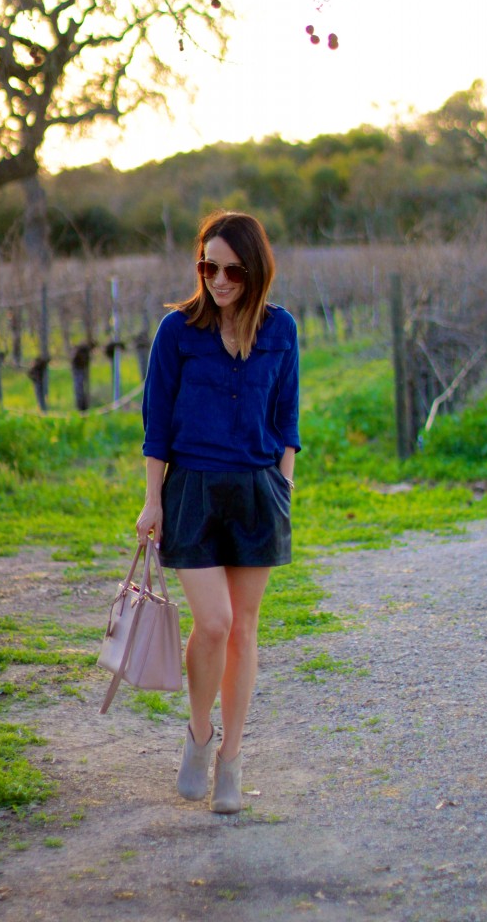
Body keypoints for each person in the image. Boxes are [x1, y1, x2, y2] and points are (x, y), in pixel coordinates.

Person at [136, 210, 300, 814]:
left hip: (258, 492)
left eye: (232, 269)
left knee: (245, 628)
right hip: (194, 492)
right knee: (214, 623)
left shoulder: (281, 330)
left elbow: (288, 421)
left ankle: (233, 759)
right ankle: (199, 736)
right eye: (208, 266)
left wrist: (283, 486)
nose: (219, 279)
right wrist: (153, 500)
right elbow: (156, 426)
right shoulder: (177, 332)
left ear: (255, 269)